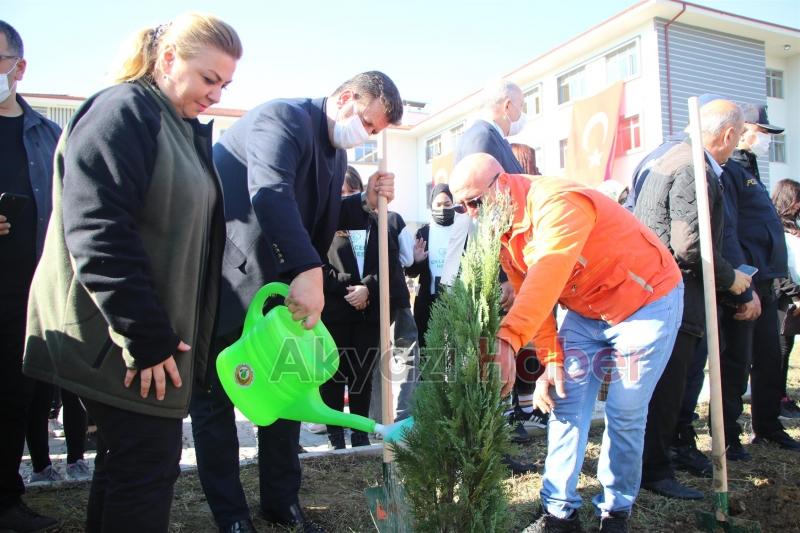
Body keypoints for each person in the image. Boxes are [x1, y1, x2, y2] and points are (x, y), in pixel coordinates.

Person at [23, 14, 241, 533]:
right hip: (122, 341)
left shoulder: (176, 124)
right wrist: (145, 337)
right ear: (168, 60)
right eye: (208, 78)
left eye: (226, 85)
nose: (216, 94)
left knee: (131, 467)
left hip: (147, 338)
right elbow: (97, 230)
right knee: (145, 467)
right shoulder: (124, 111)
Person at [190, 71, 401, 533]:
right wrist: (309, 272)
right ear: (346, 97)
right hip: (228, 284)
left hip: (281, 300)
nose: (366, 136)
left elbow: (317, 220)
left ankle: (280, 503)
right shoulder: (281, 119)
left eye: (376, 133)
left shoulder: (334, 151)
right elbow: (271, 195)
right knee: (214, 403)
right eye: (368, 123)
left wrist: (361, 204)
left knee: (286, 396)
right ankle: (231, 516)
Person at [450, 153, 683, 533]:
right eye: (463, 206)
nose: (472, 213)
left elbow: (547, 276)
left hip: (645, 302)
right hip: (587, 313)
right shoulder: (505, 229)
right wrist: (551, 359)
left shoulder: (557, 202)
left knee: (623, 411)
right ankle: (559, 513)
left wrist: (507, 341)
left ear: (502, 183)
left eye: (475, 201)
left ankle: (615, 510)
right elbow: (530, 296)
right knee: (564, 403)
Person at [634, 99, 752, 499]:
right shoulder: (693, 168)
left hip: (664, 289)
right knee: (669, 384)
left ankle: (654, 461)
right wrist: (730, 277)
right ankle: (655, 468)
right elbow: (688, 245)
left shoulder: (675, 157)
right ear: (728, 134)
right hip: (675, 293)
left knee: (668, 382)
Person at [0, 19, 61, 532]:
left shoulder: (48, 136)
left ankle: (6, 500)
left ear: (19, 67)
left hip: (27, 295)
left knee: (15, 400)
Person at [719, 106, 800, 453]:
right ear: (744, 129)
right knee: (737, 361)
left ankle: (767, 425)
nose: (767, 140)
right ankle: (728, 435)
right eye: (762, 132)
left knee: (769, 358)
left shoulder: (750, 167)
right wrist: (743, 283)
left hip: (767, 282)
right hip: (745, 282)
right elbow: (730, 228)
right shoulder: (731, 170)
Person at [321, 166, 404, 449]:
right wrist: (347, 287)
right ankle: (335, 435)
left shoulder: (379, 223)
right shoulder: (326, 226)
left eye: (350, 192)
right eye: (340, 194)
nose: (345, 199)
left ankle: (359, 433)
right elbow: (318, 267)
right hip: (335, 311)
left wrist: (368, 287)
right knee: (333, 375)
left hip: (368, 312)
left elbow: (390, 265)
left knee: (361, 374)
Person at [771, 179, 800, 419]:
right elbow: (781, 269)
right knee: (780, 349)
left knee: (787, 348)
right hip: (783, 297)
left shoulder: (792, 227)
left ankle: (782, 396)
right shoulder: (776, 226)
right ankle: (777, 399)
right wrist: (795, 294)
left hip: (794, 294)